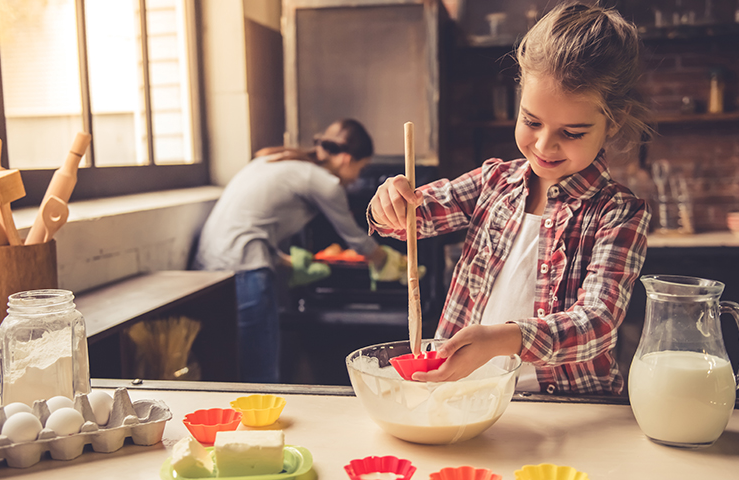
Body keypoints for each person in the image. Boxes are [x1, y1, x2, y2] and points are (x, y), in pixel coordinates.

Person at [368, 3, 652, 395]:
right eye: (531, 121)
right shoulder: (495, 181)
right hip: (467, 396)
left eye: (571, 132)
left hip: (567, 410)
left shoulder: (618, 213)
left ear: (613, 122)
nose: (544, 144)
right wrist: (389, 204)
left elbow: (597, 324)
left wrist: (504, 339)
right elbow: (414, 215)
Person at [193, 118, 402, 383]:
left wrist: (286, 261)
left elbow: (250, 223)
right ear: (347, 159)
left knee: (224, 367)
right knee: (261, 372)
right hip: (246, 271)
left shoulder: (275, 161)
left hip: (206, 267)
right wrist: (394, 262)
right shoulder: (325, 182)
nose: (358, 177)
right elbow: (356, 239)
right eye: (361, 168)